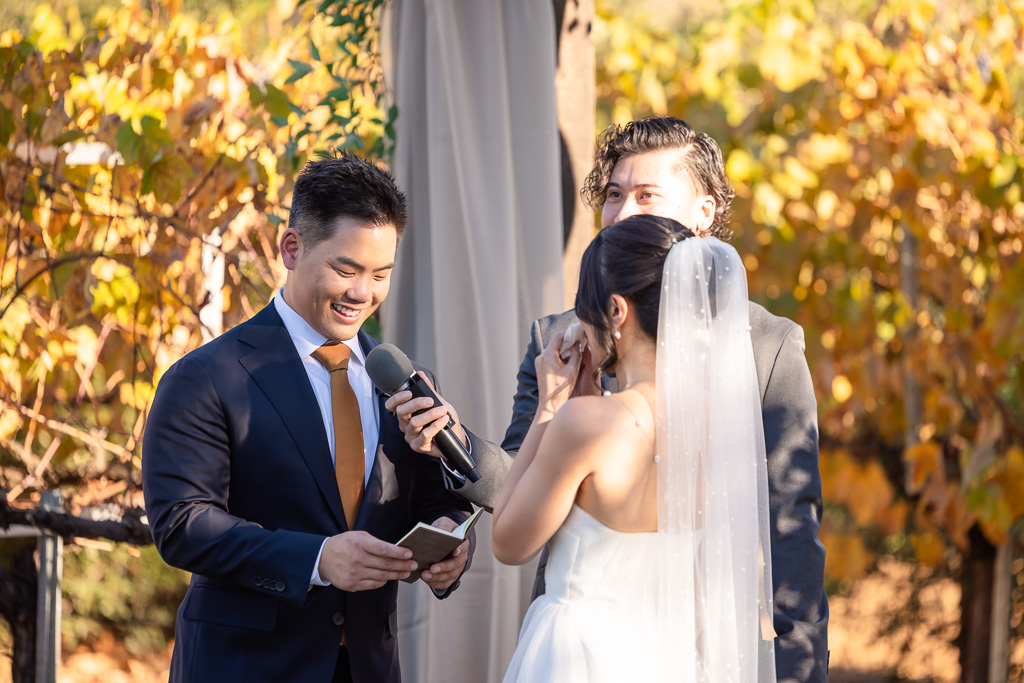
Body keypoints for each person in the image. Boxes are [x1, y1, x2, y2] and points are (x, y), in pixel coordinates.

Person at [387, 117, 828, 681]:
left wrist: (800, 672)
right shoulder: (559, 335)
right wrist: (458, 444)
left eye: (647, 195)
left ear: (705, 212)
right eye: (614, 195)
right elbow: (523, 477)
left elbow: (792, 527)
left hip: (667, 649)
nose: (621, 213)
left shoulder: (767, 346)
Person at [142, 153, 476, 683]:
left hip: (368, 667)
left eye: (380, 274)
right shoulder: (203, 377)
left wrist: (451, 539)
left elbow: (441, 499)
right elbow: (182, 523)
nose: (363, 293)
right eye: (346, 270)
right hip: (244, 668)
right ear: (292, 249)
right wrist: (317, 559)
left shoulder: (405, 379)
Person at [492, 215, 777, 681]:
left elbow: (507, 542)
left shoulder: (584, 423)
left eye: (584, 307)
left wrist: (550, 407)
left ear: (616, 311)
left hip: (576, 655)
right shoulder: (721, 428)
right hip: (667, 655)